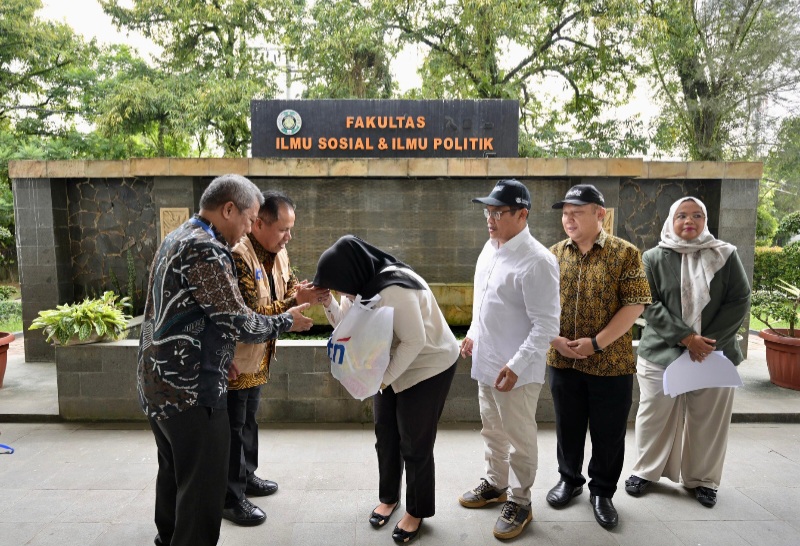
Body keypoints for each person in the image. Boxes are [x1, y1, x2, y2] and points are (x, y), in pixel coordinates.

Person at [137, 174, 313, 546]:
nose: (248, 229)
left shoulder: (178, 236)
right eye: (249, 220)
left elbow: (175, 311)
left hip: (158, 381)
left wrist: (216, 353)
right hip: (191, 391)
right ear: (228, 209)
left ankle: (167, 537)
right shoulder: (208, 247)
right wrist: (288, 320)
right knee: (203, 487)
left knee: (174, 471)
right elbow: (237, 318)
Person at [313, 235, 459, 545]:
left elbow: (415, 341)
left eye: (338, 286)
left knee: (415, 442)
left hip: (429, 365)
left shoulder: (395, 288)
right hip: (390, 363)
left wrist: (382, 380)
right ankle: (389, 497)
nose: (340, 293)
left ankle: (416, 511)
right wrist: (328, 302)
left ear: (350, 272)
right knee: (386, 433)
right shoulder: (358, 286)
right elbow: (347, 329)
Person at [625, 197, 750, 508]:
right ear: (671, 220)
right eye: (681, 215)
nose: (689, 221)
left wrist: (705, 341)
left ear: (705, 220)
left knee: (708, 419)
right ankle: (645, 471)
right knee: (653, 414)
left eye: (696, 215)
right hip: (662, 351)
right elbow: (648, 302)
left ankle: (703, 480)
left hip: (714, 353)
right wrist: (684, 337)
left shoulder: (726, 255)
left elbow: (740, 299)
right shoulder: (653, 257)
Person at [457, 179, 561, 540]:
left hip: (516, 371)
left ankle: (520, 500)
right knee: (492, 430)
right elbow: (484, 301)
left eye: (499, 212)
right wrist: (472, 333)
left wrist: (516, 365)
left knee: (519, 437)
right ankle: (495, 484)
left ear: (522, 214)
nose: (490, 218)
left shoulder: (538, 261)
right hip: (486, 363)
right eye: (488, 211)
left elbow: (547, 324)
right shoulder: (490, 248)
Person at [546, 184, 651, 530]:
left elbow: (634, 304)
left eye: (577, 212)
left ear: (599, 214)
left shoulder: (626, 253)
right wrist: (555, 339)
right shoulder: (554, 254)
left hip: (611, 364)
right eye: (565, 213)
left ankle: (602, 491)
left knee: (608, 433)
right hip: (563, 360)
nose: (568, 219)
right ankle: (569, 479)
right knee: (568, 427)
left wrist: (597, 342)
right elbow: (538, 305)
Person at [223, 191, 329, 526]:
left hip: (260, 358)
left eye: (290, 229)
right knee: (233, 429)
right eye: (283, 229)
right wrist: (292, 309)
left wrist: (303, 294)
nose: (288, 237)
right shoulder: (239, 256)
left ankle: (247, 476)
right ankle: (230, 498)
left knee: (249, 422)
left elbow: (287, 290)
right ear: (258, 223)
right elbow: (252, 315)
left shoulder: (278, 253)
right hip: (237, 361)